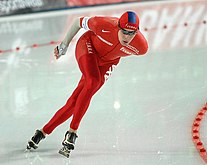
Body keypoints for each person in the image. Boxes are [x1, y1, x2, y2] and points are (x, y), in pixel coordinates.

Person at [27, 11, 148, 157]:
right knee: (93, 81)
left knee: (75, 102)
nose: (128, 37)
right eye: (124, 32)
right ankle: (72, 132)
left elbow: (118, 50)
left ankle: (42, 132)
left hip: (108, 63)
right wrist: (63, 46)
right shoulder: (103, 24)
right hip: (87, 46)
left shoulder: (141, 47)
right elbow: (77, 22)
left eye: (132, 33)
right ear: (118, 27)